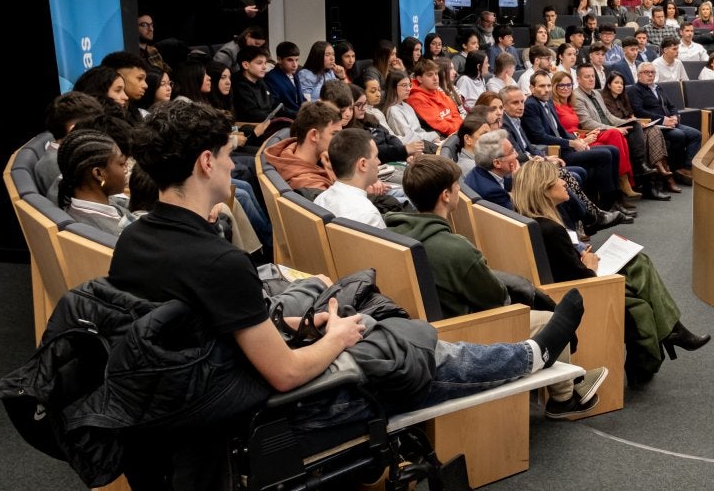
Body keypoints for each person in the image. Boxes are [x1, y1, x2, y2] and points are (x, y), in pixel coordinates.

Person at [109, 101, 588, 418]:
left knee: (376, 330)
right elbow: (286, 373)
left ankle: (523, 354)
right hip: (265, 408)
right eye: (225, 156)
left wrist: (301, 322)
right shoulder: (218, 262)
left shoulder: (133, 242)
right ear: (204, 163)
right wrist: (336, 336)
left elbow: (208, 326)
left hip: (191, 399)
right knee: (409, 360)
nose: (233, 165)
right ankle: (530, 356)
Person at [387, 154, 608, 418]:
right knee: (548, 319)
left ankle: (570, 382)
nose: (459, 190)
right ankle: (564, 398)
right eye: (456, 185)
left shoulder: (393, 233)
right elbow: (493, 298)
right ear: (446, 195)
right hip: (461, 330)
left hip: (414, 331)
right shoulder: (453, 248)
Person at [510, 159, 708, 386]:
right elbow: (583, 281)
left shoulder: (534, 221)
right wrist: (589, 265)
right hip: (576, 292)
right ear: (544, 189)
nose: (564, 182)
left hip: (562, 284)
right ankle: (670, 333)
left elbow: (562, 264)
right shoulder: (551, 230)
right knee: (640, 303)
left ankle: (672, 332)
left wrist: (580, 256)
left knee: (638, 261)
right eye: (557, 179)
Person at [521, 71, 626, 211]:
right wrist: (571, 143)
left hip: (565, 146)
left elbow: (561, 130)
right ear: (532, 88)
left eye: (548, 85)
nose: (546, 89)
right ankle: (607, 205)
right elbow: (539, 137)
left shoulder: (548, 101)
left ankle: (617, 199)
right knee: (605, 154)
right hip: (556, 152)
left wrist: (578, 140)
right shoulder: (531, 105)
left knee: (613, 150)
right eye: (541, 86)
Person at [572, 65, 671, 201]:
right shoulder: (577, 96)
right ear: (578, 79)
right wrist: (614, 128)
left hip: (608, 127)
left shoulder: (596, 93)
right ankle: (641, 172)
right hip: (595, 131)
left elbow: (608, 116)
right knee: (639, 135)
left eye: (593, 76)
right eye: (587, 76)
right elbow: (587, 123)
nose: (591, 79)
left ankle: (641, 167)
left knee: (636, 126)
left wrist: (627, 122)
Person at [550, 70, 638, 197]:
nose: (566, 88)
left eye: (569, 85)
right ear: (554, 87)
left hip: (582, 135)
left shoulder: (569, 103)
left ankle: (621, 187)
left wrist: (586, 134)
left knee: (620, 138)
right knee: (613, 137)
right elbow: (563, 131)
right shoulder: (554, 106)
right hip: (574, 141)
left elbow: (603, 117)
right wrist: (582, 139)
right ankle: (619, 188)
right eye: (562, 85)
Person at [626, 63, 701, 186]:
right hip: (654, 126)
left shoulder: (658, 88)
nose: (650, 75)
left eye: (652, 72)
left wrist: (675, 116)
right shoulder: (635, 90)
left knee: (696, 134)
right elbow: (639, 111)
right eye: (646, 72)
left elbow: (671, 106)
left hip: (670, 123)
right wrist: (663, 120)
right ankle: (674, 168)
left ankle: (686, 169)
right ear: (638, 75)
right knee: (679, 135)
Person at [57, 129, 135, 235]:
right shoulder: (112, 233)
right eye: (121, 164)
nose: (126, 169)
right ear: (99, 174)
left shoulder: (79, 210)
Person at [314, 128, 386, 229]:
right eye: (376, 157)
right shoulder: (369, 216)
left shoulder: (320, 200)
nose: (379, 162)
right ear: (363, 164)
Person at [264, 100, 342, 191]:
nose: (340, 141)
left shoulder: (289, 151)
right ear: (314, 135)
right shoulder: (311, 185)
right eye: (334, 134)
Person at [381, 69, 440, 149]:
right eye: (404, 85)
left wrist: (433, 137)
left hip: (425, 142)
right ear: (393, 87)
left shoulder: (407, 106)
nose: (409, 88)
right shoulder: (393, 110)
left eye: (409, 85)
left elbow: (419, 130)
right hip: (415, 148)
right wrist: (432, 136)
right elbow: (409, 138)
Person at [405, 58, 462, 137]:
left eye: (436, 74)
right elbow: (440, 125)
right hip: (441, 138)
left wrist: (459, 128)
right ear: (420, 79)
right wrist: (459, 129)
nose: (435, 78)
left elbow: (456, 113)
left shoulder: (437, 91)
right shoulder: (416, 98)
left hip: (455, 133)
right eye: (430, 75)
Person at [266, 41, 303, 112]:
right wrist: (297, 114)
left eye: (297, 60)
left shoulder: (295, 74)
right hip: (287, 116)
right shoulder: (271, 78)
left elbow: (300, 98)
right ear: (279, 60)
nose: (295, 65)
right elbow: (276, 105)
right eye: (290, 60)